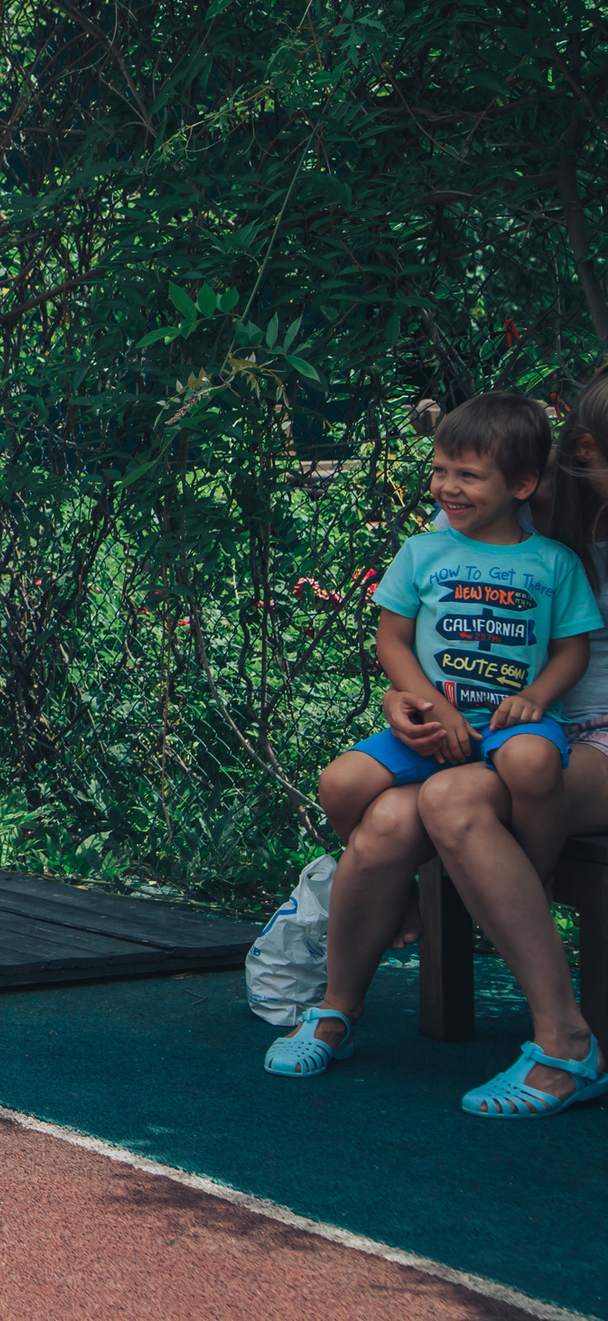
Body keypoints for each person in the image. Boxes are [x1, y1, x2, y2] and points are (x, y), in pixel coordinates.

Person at [266, 391, 598, 1083]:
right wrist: (408, 697)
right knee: (368, 806)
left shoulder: (551, 561)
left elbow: (571, 649)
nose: (448, 485)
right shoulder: (450, 534)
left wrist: (536, 698)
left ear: (522, 483)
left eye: (465, 476)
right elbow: (401, 632)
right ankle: (336, 1008)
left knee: (499, 775)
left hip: (529, 726)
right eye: (442, 470)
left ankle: (555, 1013)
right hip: (447, 718)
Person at [407, 373, 608, 1115]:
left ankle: (561, 1043)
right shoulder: (500, 501)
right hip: (518, 727)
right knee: (445, 800)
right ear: (585, 451)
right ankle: (570, 1038)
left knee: (470, 799)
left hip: (592, 743)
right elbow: (432, 621)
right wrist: (411, 700)